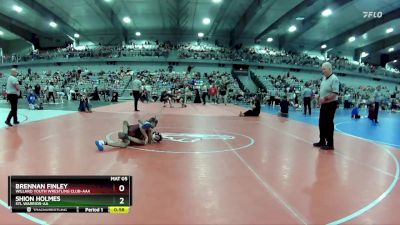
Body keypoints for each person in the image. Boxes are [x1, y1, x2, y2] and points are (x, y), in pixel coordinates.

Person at [313, 62, 340, 150]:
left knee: (328, 123)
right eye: (322, 68)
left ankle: (330, 144)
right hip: (324, 104)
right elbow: (324, 90)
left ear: (329, 69)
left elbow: (335, 93)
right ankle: (322, 141)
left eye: (324, 69)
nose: (322, 70)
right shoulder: (324, 78)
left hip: (331, 104)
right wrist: (319, 97)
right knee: (321, 123)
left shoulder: (334, 79)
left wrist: (324, 98)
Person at [95, 117, 160, 151]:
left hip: (131, 137)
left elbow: (149, 141)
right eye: (155, 124)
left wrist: (150, 137)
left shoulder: (150, 131)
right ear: (152, 122)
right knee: (125, 122)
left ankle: (101, 142)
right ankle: (125, 135)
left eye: (157, 138)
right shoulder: (147, 126)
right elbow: (140, 123)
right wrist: (146, 136)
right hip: (130, 131)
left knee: (125, 144)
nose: (155, 125)